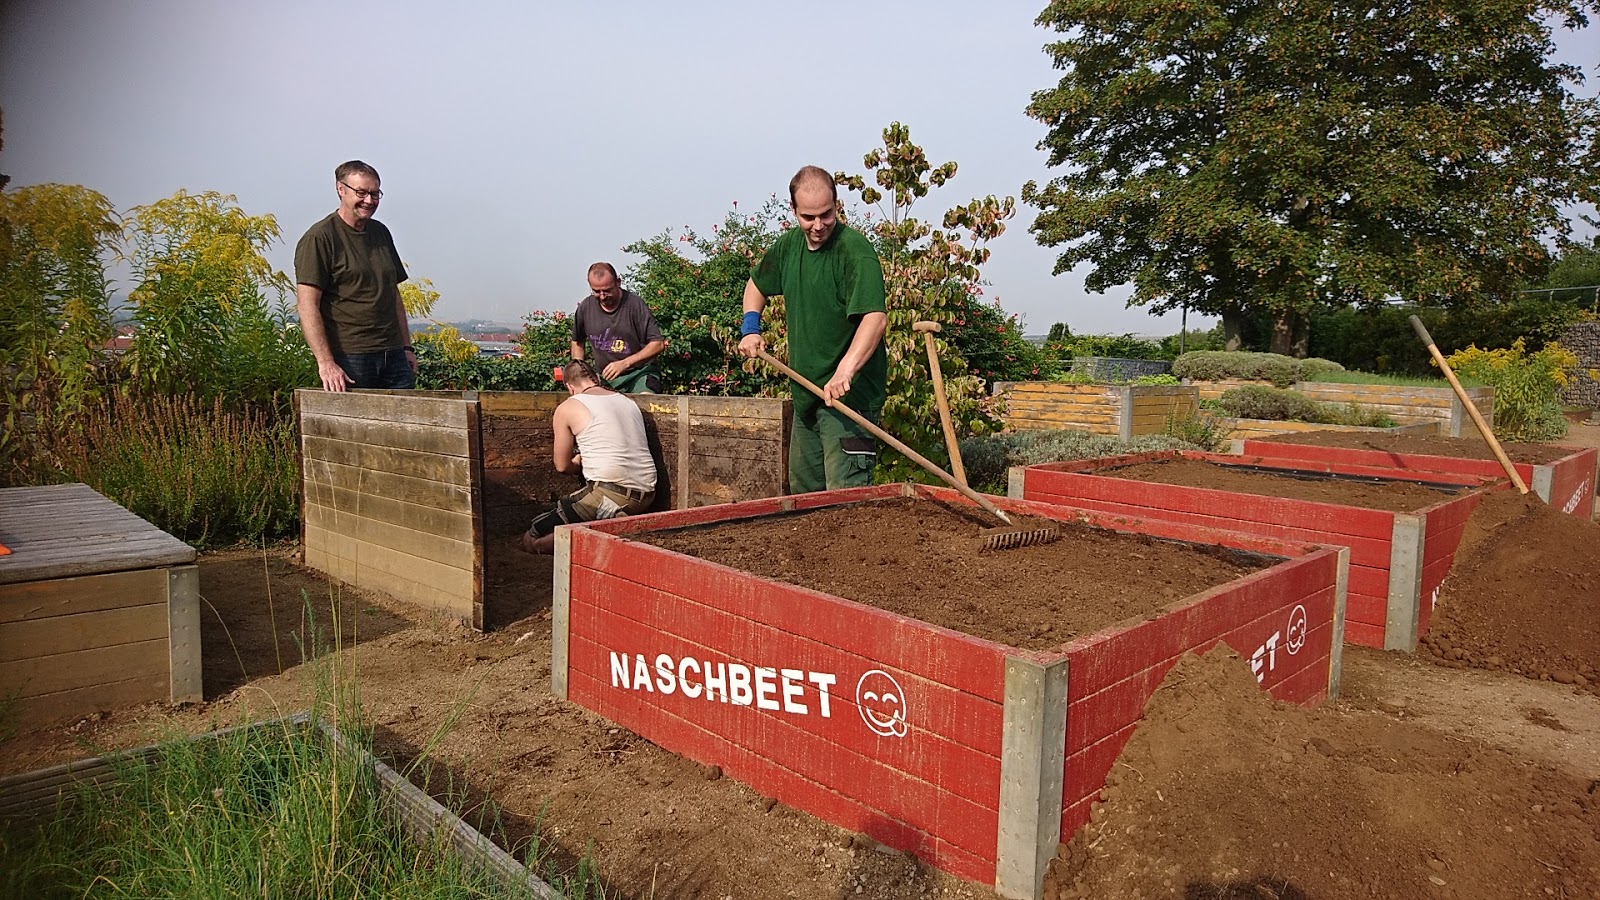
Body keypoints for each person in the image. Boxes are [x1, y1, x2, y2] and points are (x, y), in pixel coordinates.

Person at [738, 166, 888, 493]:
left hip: (849, 402)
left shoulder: (854, 251)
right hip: (806, 395)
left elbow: (874, 318)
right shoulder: (789, 247)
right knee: (805, 501)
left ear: (837, 205)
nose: (818, 225)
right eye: (808, 217)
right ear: (793, 211)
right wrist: (750, 327)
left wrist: (845, 371)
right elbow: (755, 285)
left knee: (843, 500)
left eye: (826, 214)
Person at [294, 160, 416, 391]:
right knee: (356, 426)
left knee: (403, 424)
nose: (369, 201)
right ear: (341, 189)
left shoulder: (381, 233)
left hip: (393, 356)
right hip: (350, 357)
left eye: (375, 194)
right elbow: (307, 305)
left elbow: (392, 293)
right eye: (361, 192)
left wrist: (406, 347)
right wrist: (326, 363)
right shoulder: (320, 239)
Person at [521, 359, 658, 553]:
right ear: (597, 378)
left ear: (569, 387)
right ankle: (609, 523)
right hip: (647, 495)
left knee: (534, 532)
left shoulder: (569, 407)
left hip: (609, 494)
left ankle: (546, 546)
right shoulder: (627, 401)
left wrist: (577, 462)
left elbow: (561, 465)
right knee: (584, 513)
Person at [570, 262, 667, 393]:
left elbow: (657, 344)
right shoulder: (585, 308)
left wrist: (624, 363)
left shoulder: (634, 305)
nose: (603, 296)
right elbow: (577, 342)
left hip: (639, 375)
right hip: (606, 380)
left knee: (646, 402)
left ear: (618, 282)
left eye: (607, 290)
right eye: (596, 291)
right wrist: (578, 375)